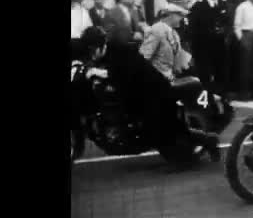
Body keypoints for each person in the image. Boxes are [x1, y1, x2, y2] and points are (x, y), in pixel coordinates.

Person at [78, 27, 220, 161]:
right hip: (134, 94)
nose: (91, 54)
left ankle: (208, 141)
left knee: (166, 129)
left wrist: (101, 73)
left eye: (92, 49)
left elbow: (124, 75)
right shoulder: (100, 54)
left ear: (101, 45)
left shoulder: (123, 51)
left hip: (153, 92)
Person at [189, 0, 232, 95]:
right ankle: (207, 100)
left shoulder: (223, 5)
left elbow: (228, 23)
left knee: (221, 74)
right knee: (205, 75)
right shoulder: (198, 7)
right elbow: (193, 29)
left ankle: (222, 99)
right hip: (203, 48)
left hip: (219, 46)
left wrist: (224, 31)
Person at [139, 4, 191, 82]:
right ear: (170, 15)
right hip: (157, 79)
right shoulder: (157, 29)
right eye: (179, 15)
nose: (182, 19)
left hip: (170, 77)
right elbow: (144, 56)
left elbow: (176, 55)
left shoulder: (174, 33)